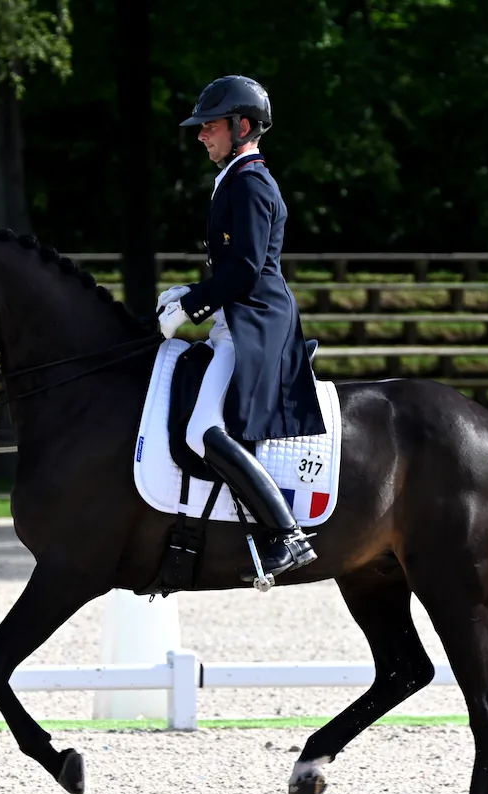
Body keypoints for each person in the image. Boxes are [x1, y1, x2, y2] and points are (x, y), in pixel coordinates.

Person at [155, 74, 326, 584]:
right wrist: (189, 294)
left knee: (202, 430)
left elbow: (247, 269)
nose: (201, 135)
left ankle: (286, 534)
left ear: (241, 125)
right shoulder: (235, 177)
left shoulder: (250, 182)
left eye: (209, 127)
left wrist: (192, 303)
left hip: (254, 323)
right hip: (237, 317)